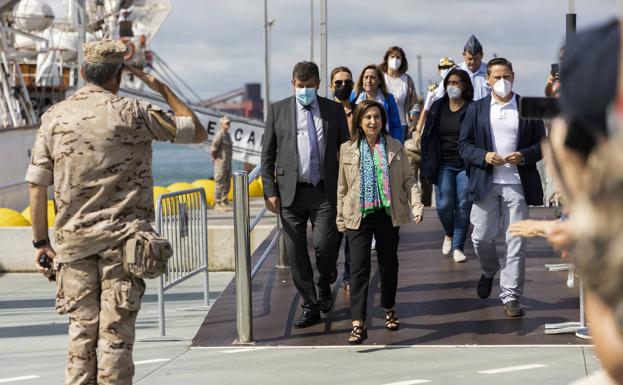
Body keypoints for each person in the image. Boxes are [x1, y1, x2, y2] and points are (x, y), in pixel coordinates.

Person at [26, 40, 206, 385]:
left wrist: (40, 243)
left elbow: (37, 185)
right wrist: (160, 87)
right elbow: (194, 131)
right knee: (116, 337)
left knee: (80, 334)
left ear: (82, 72)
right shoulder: (134, 112)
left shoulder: (54, 117)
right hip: (125, 245)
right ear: (120, 75)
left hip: (74, 245)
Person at [261, 61, 349, 328]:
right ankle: (310, 303)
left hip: (324, 190)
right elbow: (267, 154)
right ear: (292, 84)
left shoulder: (334, 111)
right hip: (290, 194)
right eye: (300, 87)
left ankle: (323, 285)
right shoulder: (278, 111)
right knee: (296, 252)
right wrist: (269, 190)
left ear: (319, 84)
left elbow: (346, 151)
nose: (305, 91)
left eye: (309, 87)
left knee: (325, 245)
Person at [459, 58, 545, 318]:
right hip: (485, 182)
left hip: (516, 185)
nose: (501, 81)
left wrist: (524, 155)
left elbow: (542, 145)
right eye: (496, 77)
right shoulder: (476, 109)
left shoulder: (527, 107)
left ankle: (510, 296)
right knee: (480, 237)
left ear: (514, 76)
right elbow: (464, 145)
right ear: (488, 80)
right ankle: (488, 270)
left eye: (506, 76)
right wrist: (484, 156)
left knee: (516, 241)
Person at [336, 99, 423, 344]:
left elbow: (408, 180)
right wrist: (340, 219)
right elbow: (342, 188)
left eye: (377, 117)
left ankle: (389, 307)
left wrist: (416, 204)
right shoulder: (347, 149)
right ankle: (358, 324)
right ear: (360, 122)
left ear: (382, 120)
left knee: (388, 265)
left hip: (387, 213)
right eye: (367, 118)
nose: (372, 122)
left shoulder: (395, 146)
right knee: (358, 270)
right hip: (358, 215)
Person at [420, 68, 474, 263]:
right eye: (449, 82)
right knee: (443, 204)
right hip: (443, 163)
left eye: (457, 82)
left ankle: (458, 246)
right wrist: (426, 163)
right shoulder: (437, 107)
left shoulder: (473, 108)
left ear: (465, 86)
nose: (453, 86)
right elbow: (427, 136)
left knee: (463, 204)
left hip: (465, 164)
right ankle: (449, 234)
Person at [415, 57, 456, 207]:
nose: (446, 70)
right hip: (434, 133)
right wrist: (418, 131)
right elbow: (425, 111)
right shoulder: (434, 90)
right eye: (443, 67)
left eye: (449, 67)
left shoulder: (459, 88)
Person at [329, 66, 354, 295]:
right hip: (331, 180)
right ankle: (329, 269)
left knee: (353, 231)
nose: (343, 86)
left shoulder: (360, 111)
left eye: (347, 82)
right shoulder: (324, 112)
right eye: (338, 82)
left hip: (355, 179)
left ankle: (349, 277)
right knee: (332, 231)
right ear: (331, 86)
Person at [354, 64, 403, 143]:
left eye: (372, 77)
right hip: (362, 142)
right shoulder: (355, 99)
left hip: (385, 143)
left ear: (379, 81)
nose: (369, 81)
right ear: (362, 80)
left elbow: (396, 125)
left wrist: (394, 142)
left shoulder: (388, 99)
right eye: (366, 77)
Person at [381, 46, 419, 142]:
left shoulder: (407, 80)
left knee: (398, 155)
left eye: (398, 57)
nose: (395, 59)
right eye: (392, 57)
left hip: (401, 125)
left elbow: (414, 103)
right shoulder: (380, 78)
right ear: (387, 59)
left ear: (402, 60)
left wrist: (414, 121)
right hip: (382, 124)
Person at [457, 35, 491, 101]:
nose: (472, 62)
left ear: (482, 55)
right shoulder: (456, 72)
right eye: (469, 59)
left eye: (476, 59)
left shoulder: (490, 72)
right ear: (464, 55)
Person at [211, 116, 233, 212]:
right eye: (226, 123)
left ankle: (224, 201)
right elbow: (213, 149)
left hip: (227, 163)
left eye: (229, 123)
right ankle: (218, 203)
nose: (228, 125)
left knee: (227, 183)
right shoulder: (219, 135)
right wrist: (217, 160)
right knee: (219, 184)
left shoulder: (227, 135)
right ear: (222, 124)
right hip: (220, 164)